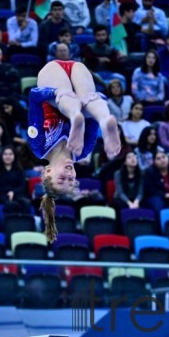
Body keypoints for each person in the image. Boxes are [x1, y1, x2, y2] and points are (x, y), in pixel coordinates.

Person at [27, 59, 121, 241]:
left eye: (62, 178)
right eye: (71, 180)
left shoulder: (38, 145)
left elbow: (34, 97)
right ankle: (105, 120)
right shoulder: (83, 150)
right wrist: (92, 107)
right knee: (89, 101)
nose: (70, 174)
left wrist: (55, 92)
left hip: (53, 76)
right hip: (80, 79)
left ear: (47, 172)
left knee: (65, 99)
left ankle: (74, 114)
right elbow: (100, 98)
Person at [0, 145, 30, 212]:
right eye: (5, 154)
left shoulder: (19, 170)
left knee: (26, 202)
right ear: (1, 156)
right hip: (0, 196)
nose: (8, 156)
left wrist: (13, 192)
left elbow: (22, 186)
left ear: (14, 156)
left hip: (16, 195)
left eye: (10, 154)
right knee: (10, 204)